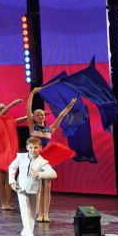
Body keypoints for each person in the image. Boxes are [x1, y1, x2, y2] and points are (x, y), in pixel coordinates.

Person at [15, 87, 78, 223]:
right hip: (35, 161)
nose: (41, 116)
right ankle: (39, 214)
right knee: (38, 188)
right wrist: (32, 93)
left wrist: (70, 105)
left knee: (47, 188)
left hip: (47, 161)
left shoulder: (50, 128)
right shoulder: (33, 127)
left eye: (42, 115)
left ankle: (46, 214)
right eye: (38, 115)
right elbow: (28, 109)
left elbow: (61, 116)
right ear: (33, 117)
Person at [7, 136, 57, 236]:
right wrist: (12, 182)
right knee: (25, 210)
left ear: (40, 148)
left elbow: (53, 174)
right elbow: (12, 167)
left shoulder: (42, 162)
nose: (33, 150)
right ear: (27, 148)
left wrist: (39, 174)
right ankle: (30, 235)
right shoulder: (21, 157)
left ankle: (26, 232)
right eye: (31, 147)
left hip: (34, 189)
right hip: (21, 188)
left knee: (34, 212)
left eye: (35, 147)